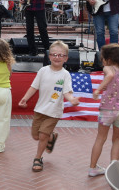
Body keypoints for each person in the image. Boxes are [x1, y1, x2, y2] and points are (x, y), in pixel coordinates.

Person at [18, 40, 80, 172]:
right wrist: (25, 98)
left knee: (42, 136)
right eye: (54, 54)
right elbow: (34, 87)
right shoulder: (43, 71)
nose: (57, 58)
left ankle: (38, 158)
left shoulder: (65, 75)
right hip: (40, 109)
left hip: (54, 112)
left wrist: (72, 99)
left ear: (66, 58)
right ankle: (51, 137)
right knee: (36, 136)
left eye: (61, 55)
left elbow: (66, 92)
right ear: (49, 56)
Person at [88, 44, 119, 177]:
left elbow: (110, 75)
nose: (102, 62)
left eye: (102, 59)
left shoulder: (108, 68)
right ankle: (114, 171)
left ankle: (93, 168)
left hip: (107, 109)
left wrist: (99, 89)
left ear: (109, 59)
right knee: (117, 139)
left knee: (100, 138)